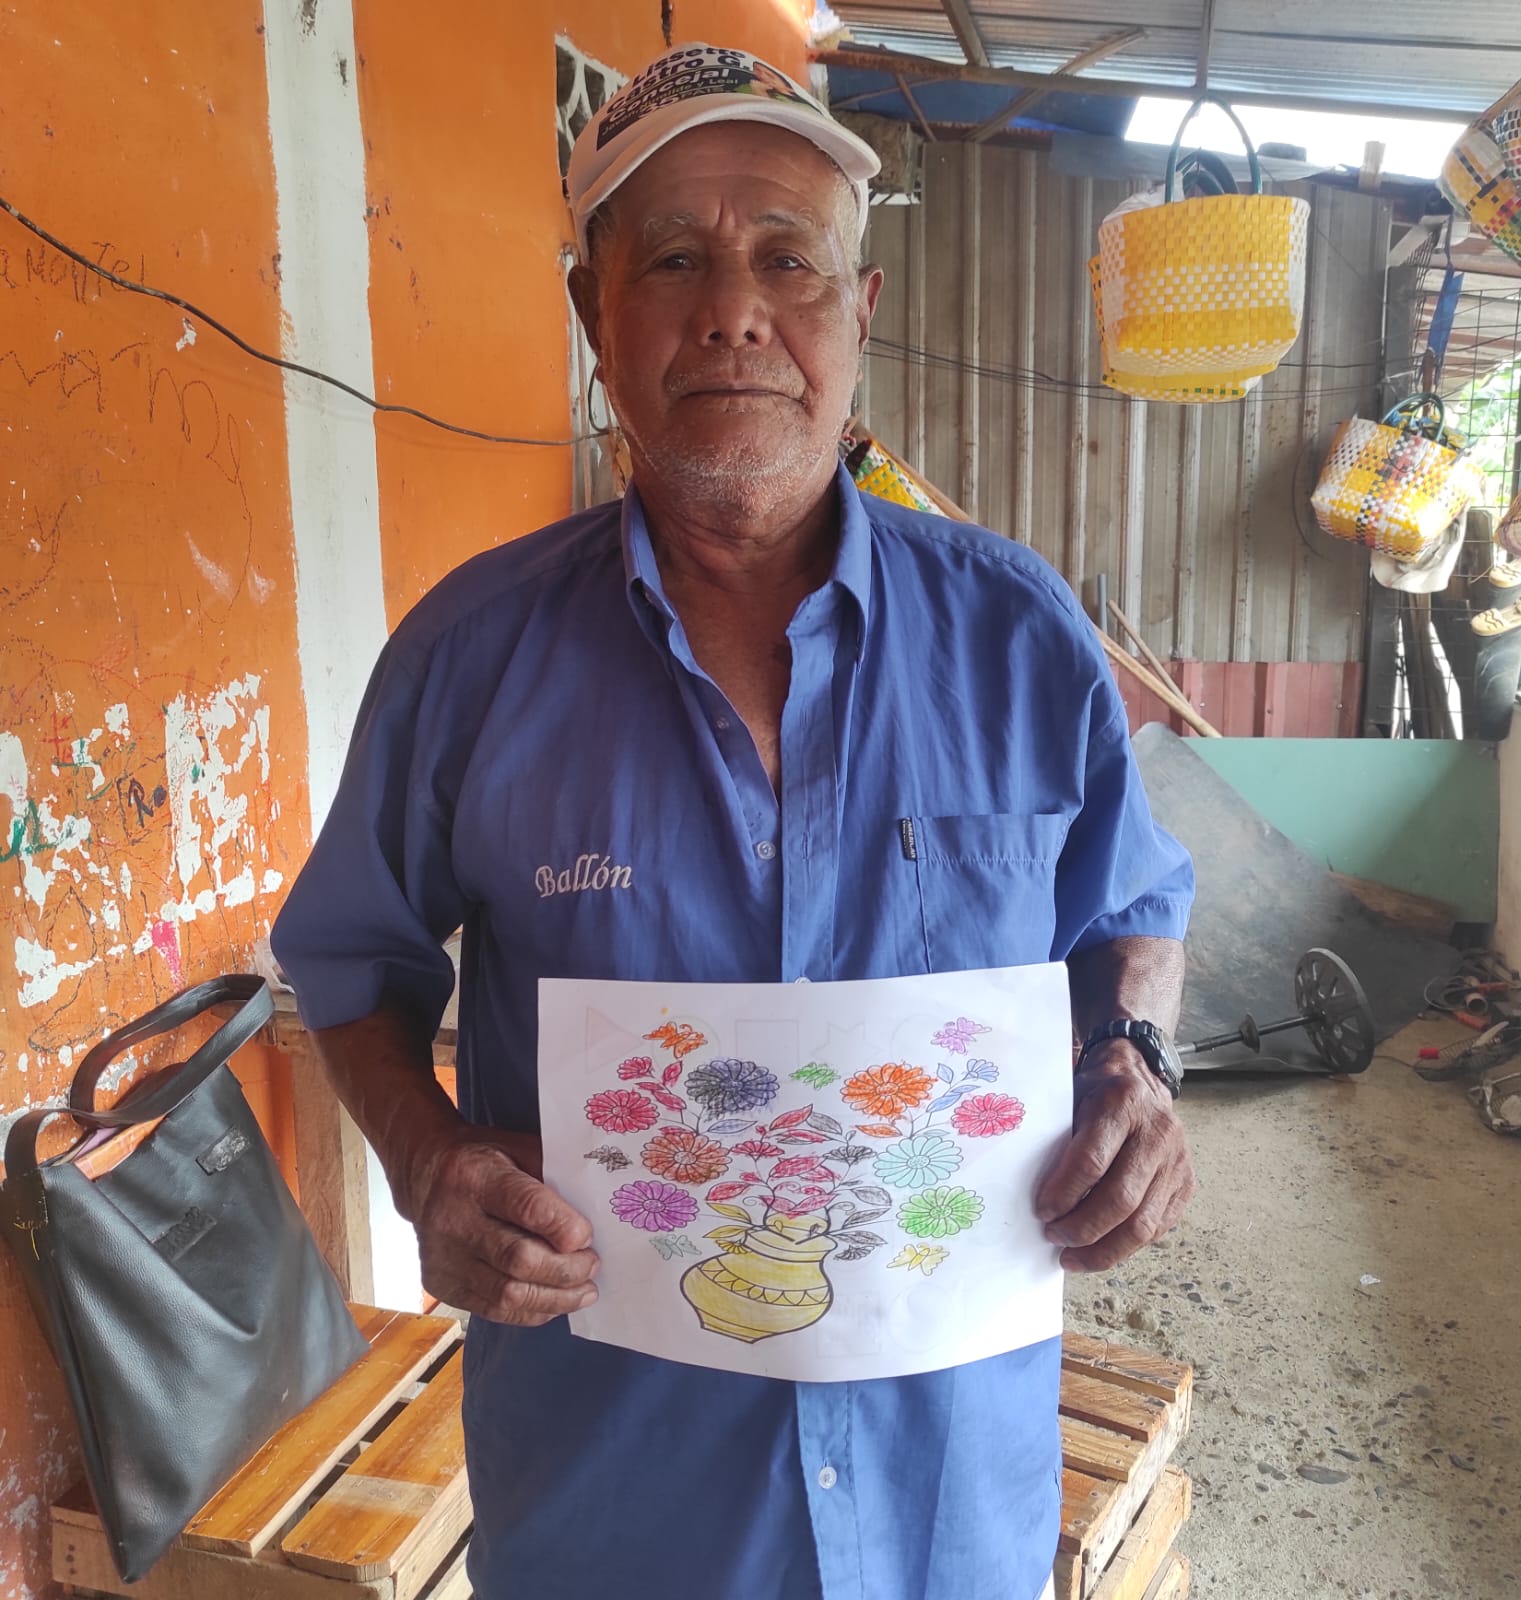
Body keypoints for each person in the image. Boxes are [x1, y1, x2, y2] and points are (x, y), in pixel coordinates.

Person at [272, 41, 1197, 1600]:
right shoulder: (469, 658)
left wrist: (1139, 1068)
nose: (734, 312)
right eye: (673, 261)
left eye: (788, 259)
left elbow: (1132, 911)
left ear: (862, 309)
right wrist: (428, 1163)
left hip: (945, 1507)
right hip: (617, 1508)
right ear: (594, 316)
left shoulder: (1020, 638)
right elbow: (349, 966)